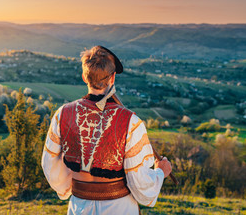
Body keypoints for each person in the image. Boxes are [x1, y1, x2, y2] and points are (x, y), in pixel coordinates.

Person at [41, 46, 172, 215]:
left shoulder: (63, 114)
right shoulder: (131, 121)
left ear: (84, 77)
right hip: (119, 208)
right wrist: (160, 171)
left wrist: (67, 188)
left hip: (79, 207)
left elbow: (49, 164)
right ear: (112, 78)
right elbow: (140, 182)